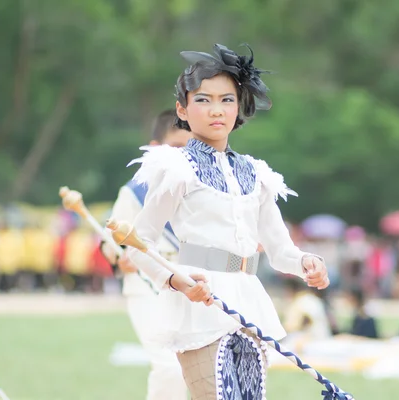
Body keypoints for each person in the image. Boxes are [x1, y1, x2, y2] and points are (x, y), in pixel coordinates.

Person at [125, 43, 330, 400]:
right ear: (182, 109)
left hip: (249, 302)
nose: (216, 110)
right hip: (200, 306)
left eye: (227, 100)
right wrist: (175, 279)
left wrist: (306, 263)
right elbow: (139, 241)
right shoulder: (175, 168)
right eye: (203, 100)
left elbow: (280, 250)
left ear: (240, 107)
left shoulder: (257, 174)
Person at [101, 109, 191, 399]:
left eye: (191, 148)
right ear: (155, 149)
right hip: (146, 286)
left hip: (191, 288)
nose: (184, 155)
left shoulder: (200, 189)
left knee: (195, 370)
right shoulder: (135, 192)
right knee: (169, 367)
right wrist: (120, 255)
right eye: (176, 147)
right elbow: (109, 241)